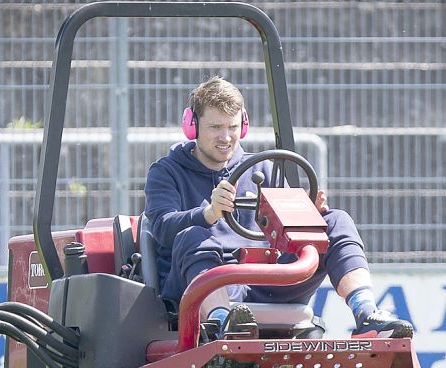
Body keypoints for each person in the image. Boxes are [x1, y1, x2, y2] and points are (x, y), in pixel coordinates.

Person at [144, 76, 413, 339]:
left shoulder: (263, 169)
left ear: (244, 126)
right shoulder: (167, 172)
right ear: (193, 126)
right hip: (204, 283)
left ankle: (365, 311)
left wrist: (307, 217)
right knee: (194, 234)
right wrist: (208, 214)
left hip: (264, 279)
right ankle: (221, 323)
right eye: (215, 127)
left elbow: (287, 234)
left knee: (335, 221)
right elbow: (161, 228)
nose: (225, 137)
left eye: (232, 127)